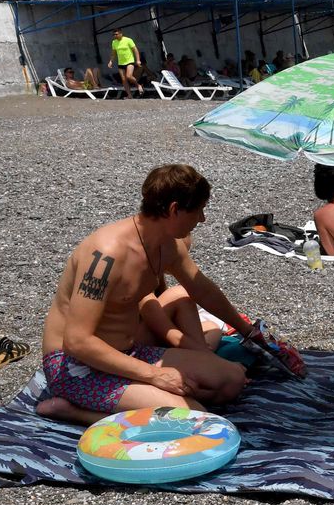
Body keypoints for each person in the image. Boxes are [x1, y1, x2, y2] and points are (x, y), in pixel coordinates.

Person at [36, 165, 254, 426]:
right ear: (174, 209)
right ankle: (75, 413)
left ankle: (145, 401)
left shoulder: (167, 245)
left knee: (232, 381)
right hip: (75, 366)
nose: (202, 219)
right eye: (198, 210)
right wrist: (156, 376)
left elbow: (202, 290)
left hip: (128, 352)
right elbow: (77, 342)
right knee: (194, 420)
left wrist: (250, 332)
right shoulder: (105, 256)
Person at [107, 28, 142, 99]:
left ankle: (138, 85)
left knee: (129, 76)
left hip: (129, 61)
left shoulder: (128, 40)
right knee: (124, 79)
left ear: (121, 34)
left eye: (116, 34)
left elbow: (135, 50)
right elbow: (113, 53)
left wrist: (138, 60)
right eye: (113, 35)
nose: (115, 36)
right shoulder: (114, 42)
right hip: (121, 63)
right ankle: (129, 95)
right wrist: (111, 61)